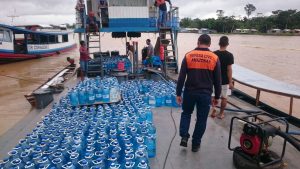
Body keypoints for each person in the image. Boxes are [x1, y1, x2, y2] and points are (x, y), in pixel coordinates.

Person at [176, 34, 222, 152]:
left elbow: (181, 77)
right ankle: (195, 144)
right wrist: (217, 96)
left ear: (198, 42)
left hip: (189, 92)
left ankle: (184, 136)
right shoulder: (214, 58)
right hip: (205, 94)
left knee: (186, 113)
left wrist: (178, 94)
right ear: (210, 44)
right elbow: (218, 80)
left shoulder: (188, 56)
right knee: (201, 119)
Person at [211, 36, 234, 119]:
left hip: (214, 79)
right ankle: (221, 114)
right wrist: (230, 82)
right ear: (227, 44)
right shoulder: (229, 55)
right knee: (224, 97)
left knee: (213, 95)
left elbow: (211, 67)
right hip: (224, 80)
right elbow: (229, 69)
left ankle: (213, 109)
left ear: (219, 43)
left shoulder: (213, 54)